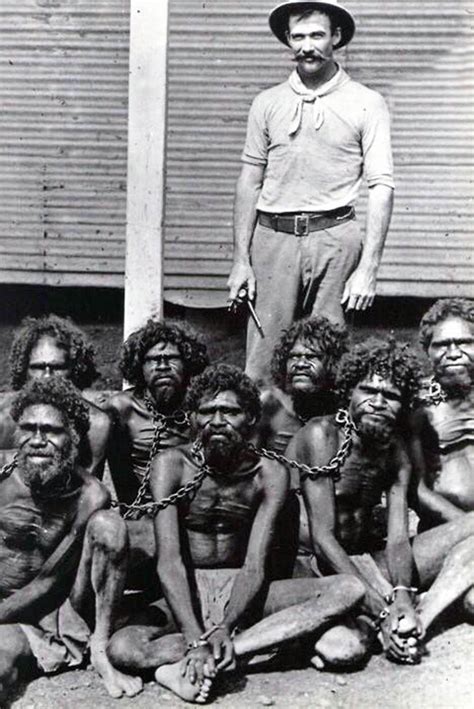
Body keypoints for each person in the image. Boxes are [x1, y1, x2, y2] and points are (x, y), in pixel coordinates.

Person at [107, 364, 365, 703]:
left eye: (229, 411)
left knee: (348, 588)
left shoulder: (269, 472)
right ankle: (233, 649)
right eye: (206, 411)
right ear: (193, 418)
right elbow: (169, 561)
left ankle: (231, 650)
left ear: (252, 419)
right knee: (123, 647)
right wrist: (194, 635)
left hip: (244, 589)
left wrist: (228, 627)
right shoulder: (171, 464)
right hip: (190, 588)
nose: (217, 421)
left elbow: (255, 563)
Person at [227, 0, 394, 383]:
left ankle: (322, 439)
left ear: (336, 37)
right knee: (262, 361)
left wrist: (368, 269)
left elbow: (382, 185)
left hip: (335, 241)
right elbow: (249, 180)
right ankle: (261, 441)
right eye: (298, 36)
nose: (307, 46)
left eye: (317, 35)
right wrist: (240, 260)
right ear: (288, 40)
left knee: (327, 357)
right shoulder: (267, 103)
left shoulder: (367, 103)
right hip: (274, 240)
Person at [287, 337, 474, 667]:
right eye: (367, 392)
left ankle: (420, 613)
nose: (377, 402)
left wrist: (402, 594)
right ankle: (375, 622)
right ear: (348, 392)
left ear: (402, 405)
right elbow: (322, 540)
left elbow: (399, 536)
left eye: (390, 396)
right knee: (344, 650)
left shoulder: (395, 448)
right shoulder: (322, 435)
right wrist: (385, 608)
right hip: (315, 568)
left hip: (369, 560)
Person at [0, 378, 142, 700]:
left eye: (51, 431)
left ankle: (100, 647)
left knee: (110, 527)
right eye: (29, 428)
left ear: (73, 438)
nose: (38, 440)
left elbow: (48, 581)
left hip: (53, 612)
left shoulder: (90, 495)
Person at [105, 320, 209, 586]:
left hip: (191, 512)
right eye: (153, 359)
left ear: (187, 362)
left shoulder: (203, 407)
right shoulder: (122, 409)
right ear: (139, 366)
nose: (162, 366)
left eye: (171, 358)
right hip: (143, 514)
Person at [0, 315, 111, 477]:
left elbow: (89, 495)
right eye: (37, 367)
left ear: (76, 369)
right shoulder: (3, 420)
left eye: (57, 367)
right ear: (24, 369)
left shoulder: (96, 424)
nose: (47, 377)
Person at [410, 298, 474, 530]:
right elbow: (415, 489)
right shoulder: (416, 404)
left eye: (464, 342)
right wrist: (467, 526)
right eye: (442, 345)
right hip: (444, 528)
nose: (453, 353)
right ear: (427, 350)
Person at [256, 315, 348, 453]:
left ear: (333, 363)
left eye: (312, 357)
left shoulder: (343, 409)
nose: (300, 364)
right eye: (293, 356)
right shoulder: (270, 403)